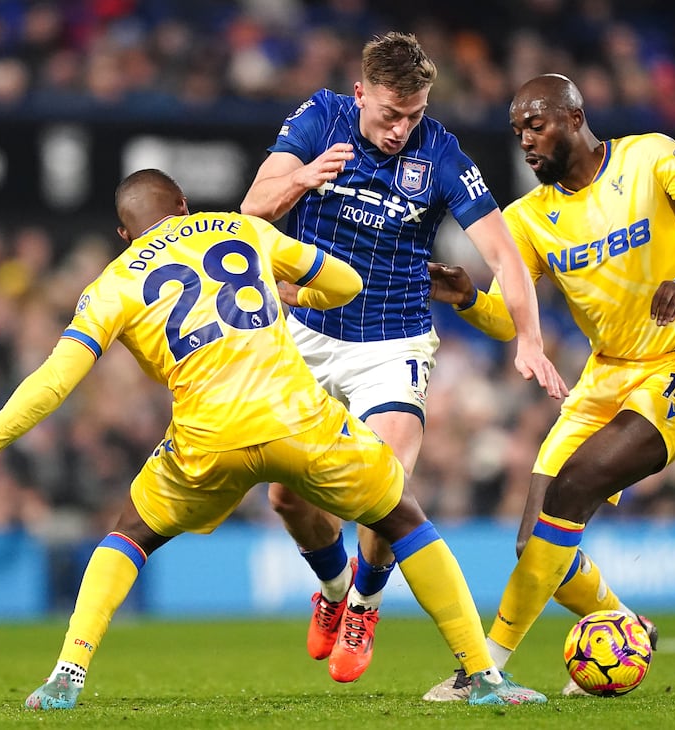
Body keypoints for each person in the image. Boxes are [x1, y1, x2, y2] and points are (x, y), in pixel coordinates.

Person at [0, 169, 548, 709]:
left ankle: (67, 674)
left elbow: (52, 383)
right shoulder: (241, 229)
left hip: (206, 440)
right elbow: (347, 282)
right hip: (297, 420)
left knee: (129, 534)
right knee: (402, 518)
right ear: (183, 204)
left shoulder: (112, 283)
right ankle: (482, 676)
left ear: (124, 233)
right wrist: (295, 297)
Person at [239, 31, 565, 684]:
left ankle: (364, 604)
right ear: (361, 93)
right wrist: (303, 176)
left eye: (413, 115)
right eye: (390, 114)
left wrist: (528, 337)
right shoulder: (320, 118)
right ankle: (333, 589)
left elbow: (504, 254)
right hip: (306, 331)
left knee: (384, 483)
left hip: (394, 339)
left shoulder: (440, 153)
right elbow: (253, 208)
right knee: (285, 497)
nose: (400, 130)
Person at [422, 73, 675, 700]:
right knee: (534, 543)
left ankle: (483, 668)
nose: (525, 140)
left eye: (536, 125)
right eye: (517, 130)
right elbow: (510, 319)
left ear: (574, 118)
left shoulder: (650, 157)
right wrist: (467, 299)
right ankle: (628, 628)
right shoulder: (528, 218)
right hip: (606, 375)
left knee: (573, 486)